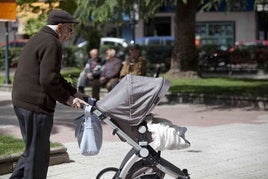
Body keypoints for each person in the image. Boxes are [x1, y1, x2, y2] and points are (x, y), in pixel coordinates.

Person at [11, 9, 88, 179]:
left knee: (32, 151)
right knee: (38, 157)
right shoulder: (52, 43)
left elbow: (53, 75)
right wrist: (68, 99)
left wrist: (73, 91)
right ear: (59, 27)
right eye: (70, 29)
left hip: (22, 102)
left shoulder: (39, 38)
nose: (70, 34)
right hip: (35, 106)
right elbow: (48, 80)